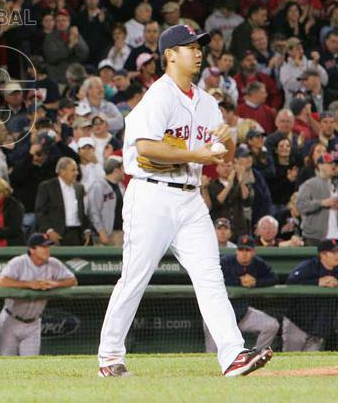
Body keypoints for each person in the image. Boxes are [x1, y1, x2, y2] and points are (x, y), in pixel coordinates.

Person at [97, 24, 273, 377]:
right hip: (151, 193)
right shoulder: (159, 96)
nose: (198, 51)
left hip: (191, 198)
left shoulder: (207, 101)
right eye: (190, 46)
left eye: (199, 46)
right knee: (134, 278)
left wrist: (228, 140)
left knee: (211, 277)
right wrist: (200, 154)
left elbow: (222, 156)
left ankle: (233, 354)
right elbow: (146, 148)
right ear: (170, 54)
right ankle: (110, 357)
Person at [0, 233, 77, 356]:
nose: (47, 250)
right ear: (32, 249)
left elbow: (73, 281)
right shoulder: (19, 262)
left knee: (31, 365)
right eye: (43, 247)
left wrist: (56, 283)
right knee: (6, 364)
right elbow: (1, 282)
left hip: (33, 323)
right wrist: (29, 284)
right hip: (11, 320)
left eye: (48, 246)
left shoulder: (53, 264)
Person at [204, 235, 279, 354]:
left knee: (271, 325)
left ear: (253, 251)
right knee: (213, 353)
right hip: (218, 315)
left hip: (242, 313)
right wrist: (239, 281)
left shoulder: (257, 263)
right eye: (241, 250)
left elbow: (274, 278)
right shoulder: (226, 262)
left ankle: (256, 355)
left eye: (247, 250)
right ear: (236, 250)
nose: (244, 253)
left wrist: (256, 282)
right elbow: (211, 278)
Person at [283, 238, 338, 351]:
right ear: (323, 255)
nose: (337, 256)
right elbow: (291, 281)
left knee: (311, 364)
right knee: (290, 359)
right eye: (333, 252)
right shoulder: (309, 266)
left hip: (319, 326)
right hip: (298, 322)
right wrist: (317, 282)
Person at [35, 158, 91, 246]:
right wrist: (49, 231)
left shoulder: (79, 188)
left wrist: (86, 230)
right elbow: (40, 212)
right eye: (73, 170)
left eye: (76, 170)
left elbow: (82, 212)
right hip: (56, 235)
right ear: (62, 171)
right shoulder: (47, 187)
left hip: (77, 235)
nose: (77, 173)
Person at [296, 152, 338, 246]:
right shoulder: (309, 184)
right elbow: (301, 206)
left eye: (335, 164)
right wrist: (321, 203)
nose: (333, 166)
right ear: (320, 165)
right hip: (315, 236)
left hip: (337, 235)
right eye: (330, 163)